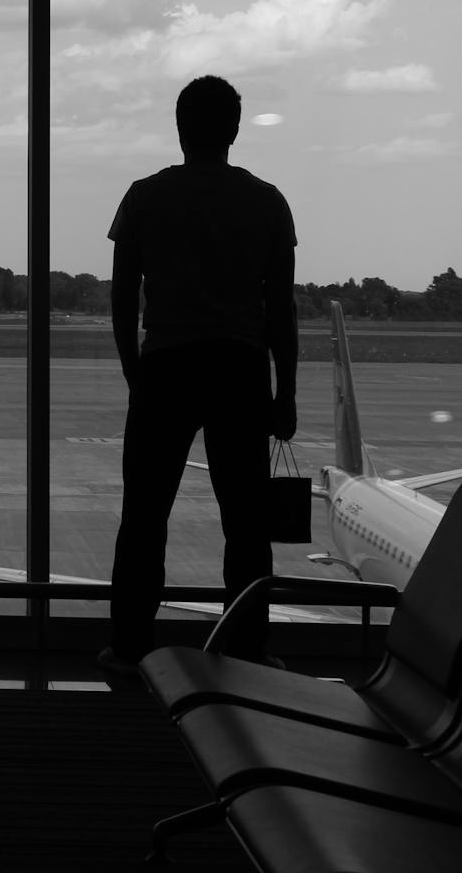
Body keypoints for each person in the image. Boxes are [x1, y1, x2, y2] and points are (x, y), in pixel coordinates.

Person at [99, 74, 298, 678]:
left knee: (144, 519)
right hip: (239, 370)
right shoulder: (267, 201)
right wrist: (283, 392)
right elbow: (280, 310)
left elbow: (121, 295)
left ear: (179, 127)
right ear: (235, 129)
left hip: (167, 365)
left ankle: (130, 648)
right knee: (245, 525)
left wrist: (137, 373)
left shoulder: (144, 196)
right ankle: (246, 650)